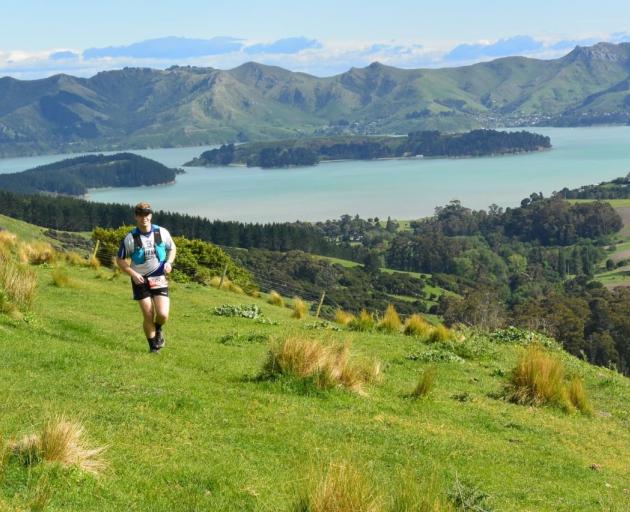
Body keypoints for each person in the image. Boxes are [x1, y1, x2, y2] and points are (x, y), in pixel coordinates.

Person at [116, 202, 176, 353]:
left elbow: (172, 248)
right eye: (140, 214)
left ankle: (159, 328)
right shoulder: (130, 238)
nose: (144, 218)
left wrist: (169, 262)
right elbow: (120, 259)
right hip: (140, 280)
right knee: (148, 314)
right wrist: (133, 274)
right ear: (136, 216)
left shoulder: (161, 232)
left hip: (159, 278)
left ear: (151, 215)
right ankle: (153, 347)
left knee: (162, 315)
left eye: (147, 214)